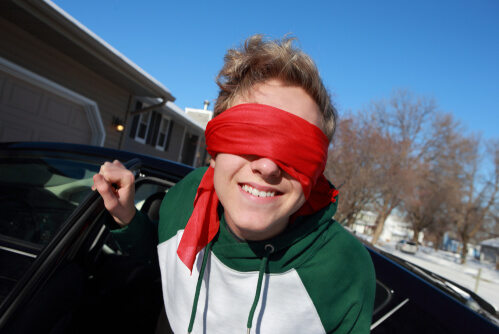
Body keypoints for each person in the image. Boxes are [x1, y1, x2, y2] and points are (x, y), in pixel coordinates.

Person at [93, 34, 375, 333]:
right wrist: (128, 217)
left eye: (295, 150)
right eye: (248, 137)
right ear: (214, 153)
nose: (267, 166)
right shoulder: (187, 196)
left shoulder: (344, 268)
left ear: (315, 173)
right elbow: (162, 259)